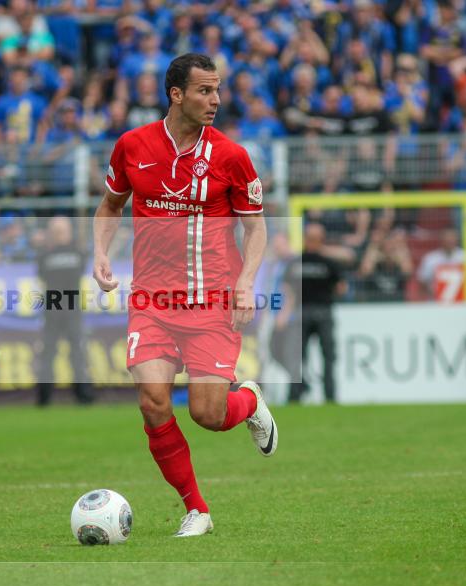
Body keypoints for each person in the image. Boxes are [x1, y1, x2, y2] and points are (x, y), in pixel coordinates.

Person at [93, 53, 277, 538]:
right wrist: (100, 253)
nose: (215, 100)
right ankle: (196, 508)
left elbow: (256, 230)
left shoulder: (232, 157)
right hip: (152, 301)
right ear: (176, 95)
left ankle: (250, 404)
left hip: (212, 301)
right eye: (204, 91)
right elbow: (111, 204)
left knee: (207, 415)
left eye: (217, 90)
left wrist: (246, 280)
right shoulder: (132, 146)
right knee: (154, 401)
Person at [281, 223, 346, 404]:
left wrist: (284, 314)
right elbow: (341, 288)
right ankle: (330, 397)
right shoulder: (329, 263)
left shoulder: (295, 263)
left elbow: (287, 290)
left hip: (302, 312)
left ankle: (294, 396)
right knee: (327, 357)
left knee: (299, 358)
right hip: (323, 312)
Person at [36, 215, 94, 407]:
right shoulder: (45, 254)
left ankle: (83, 396)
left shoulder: (78, 252)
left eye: (62, 230)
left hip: (72, 310)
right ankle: (44, 398)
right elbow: (41, 275)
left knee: (77, 354)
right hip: (52, 310)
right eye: (56, 231)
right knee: (48, 355)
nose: (60, 234)